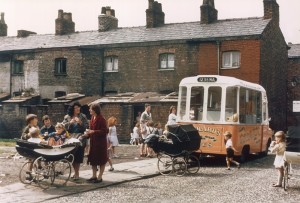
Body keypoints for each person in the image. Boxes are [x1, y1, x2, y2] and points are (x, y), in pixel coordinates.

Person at [63, 101, 89, 181]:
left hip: (80, 138)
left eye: (78, 107)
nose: (78, 109)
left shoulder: (83, 116)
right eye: (76, 108)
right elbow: (62, 127)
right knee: (72, 156)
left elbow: (87, 127)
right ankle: (75, 172)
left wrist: (80, 123)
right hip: (70, 138)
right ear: (72, 109)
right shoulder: (67, 117)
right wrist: (70, 123)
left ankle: (77, 173)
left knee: (78, 155)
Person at [84, 103, 108, 183]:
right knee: (93, 160)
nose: (89, 110)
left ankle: (99, 177)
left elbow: (105, 131)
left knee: (101, 160)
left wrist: (94, 131)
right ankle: (94, 176)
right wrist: (87, 134)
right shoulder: (92, 118)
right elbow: (91, 130)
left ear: (95, 110)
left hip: (101, 144)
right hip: (93, 143)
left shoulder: (101, 119)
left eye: (90, 109)